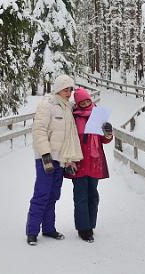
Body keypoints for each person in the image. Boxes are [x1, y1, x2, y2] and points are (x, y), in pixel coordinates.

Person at [25, 74, 84, 246]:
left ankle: (49, 228)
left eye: (71, 89)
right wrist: (45, 155)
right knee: (42, 194)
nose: (69, 92)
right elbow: (39, 131)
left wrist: (69, 160)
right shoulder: (47, 105)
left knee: (53, 195)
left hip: (61, 159)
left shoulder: (67, 108)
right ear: (58, 89)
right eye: (66, 89)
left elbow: (68, 137)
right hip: (46, 157)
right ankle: (32, 231)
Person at [64, 87, 113, 243]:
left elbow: (104, 140)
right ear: (77, 103)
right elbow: (68, 139)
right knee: (80, 196)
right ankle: (83, 229)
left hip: (95, 162)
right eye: (82, 101)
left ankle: (91, 225)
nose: (85, 103)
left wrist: (108, 133)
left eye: (87, 100)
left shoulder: (98, 115)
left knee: (93, 195)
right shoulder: (73, 117)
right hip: (78, 162)